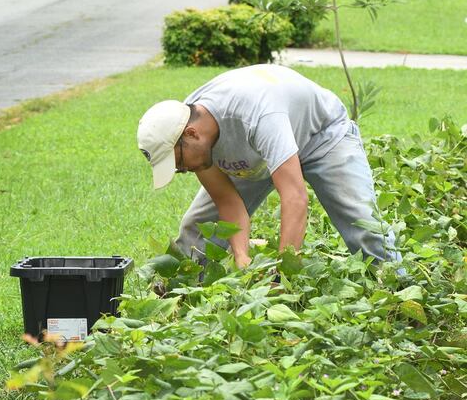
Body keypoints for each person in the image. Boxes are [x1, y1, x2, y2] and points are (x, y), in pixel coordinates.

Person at [137, 64, 399, 268]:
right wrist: (241, 256)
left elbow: (295, 197)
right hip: (254, 150)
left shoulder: (257, 116)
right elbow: (227, 200)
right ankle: (182, 301)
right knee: (197, 232)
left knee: (365, 227)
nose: (181, 170)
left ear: (192, 135)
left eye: (178, 162)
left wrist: (284, 274)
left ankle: (395, 293)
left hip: (321, 137)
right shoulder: (186, 125)